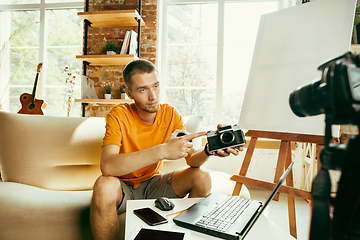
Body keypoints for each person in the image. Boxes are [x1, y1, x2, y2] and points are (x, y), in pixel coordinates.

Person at [90, 59, 243, 240]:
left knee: (201, 177)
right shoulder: (118, 115)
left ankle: (188, 237)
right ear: (129, 93)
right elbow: (107, 167)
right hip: (122, 188)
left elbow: (192, 158)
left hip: (153, 184)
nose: (153, 96)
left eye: (155, 86)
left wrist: (209, 150)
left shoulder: (170, 114)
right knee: (104, 185)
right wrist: (162, 150)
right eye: (143, 89)